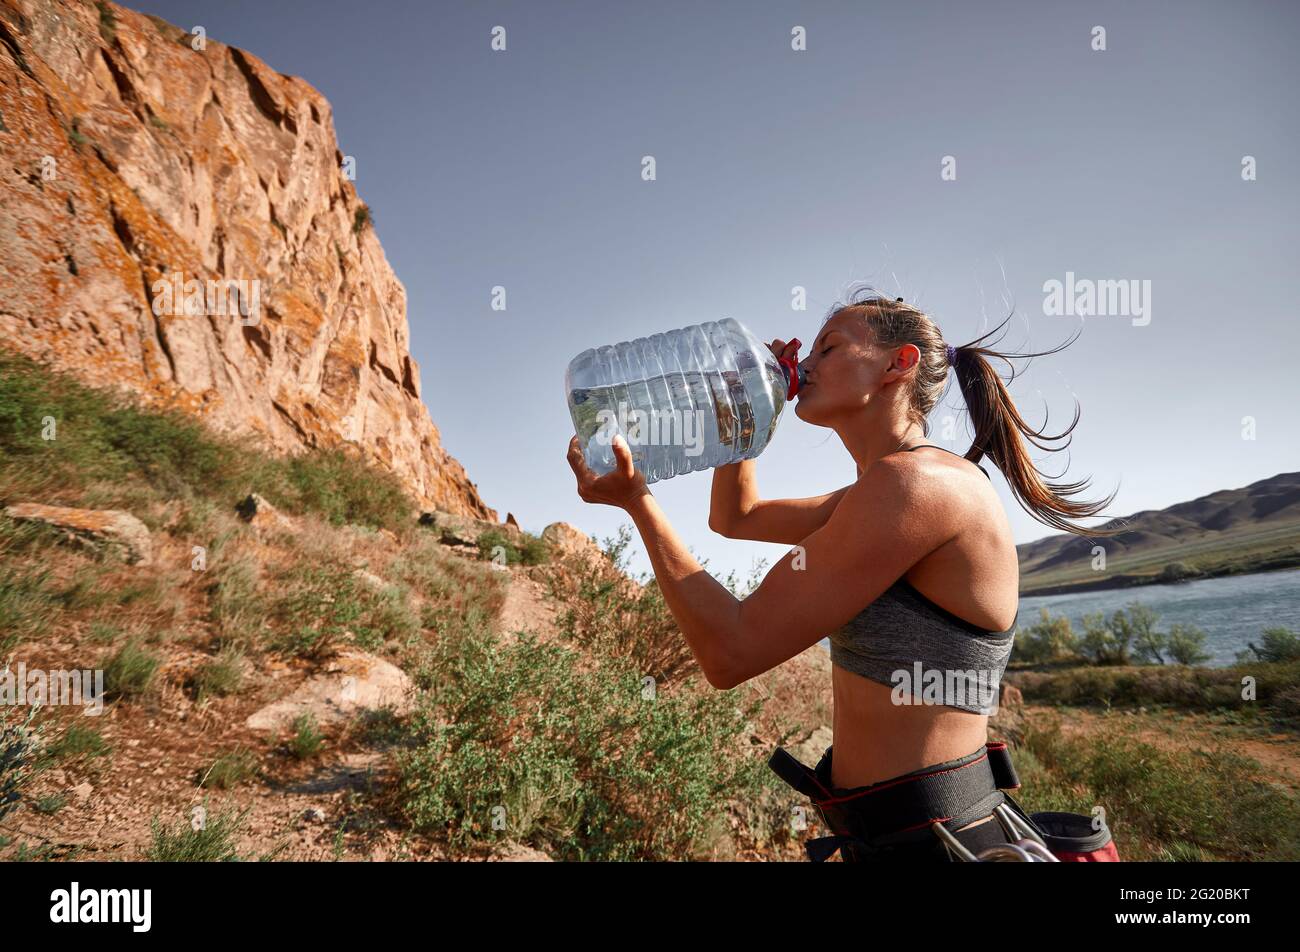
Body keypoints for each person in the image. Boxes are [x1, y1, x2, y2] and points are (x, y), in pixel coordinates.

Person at [565, 286, 1120, 861]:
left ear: (897, 364)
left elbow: (728, 652)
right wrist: (742, 408)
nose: (803, 363)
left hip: (943, 844)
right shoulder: (885, 490)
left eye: (828, 347)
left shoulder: (918, 489)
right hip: (896, 837)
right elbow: (735, 517)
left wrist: (637, 502)